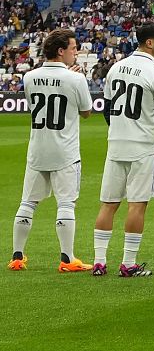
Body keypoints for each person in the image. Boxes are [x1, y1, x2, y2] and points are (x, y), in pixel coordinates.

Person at [11, 29, 95, 273]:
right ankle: (67, 259)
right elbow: (87, 112)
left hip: (38, 149)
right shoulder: (75, 78)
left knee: (27, 203)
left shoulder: (29, 76)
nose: (76, 52)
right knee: (66, 204)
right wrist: (76, 80)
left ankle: (17, 256)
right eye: (73, 48)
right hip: (65, 151)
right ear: (61, 51)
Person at [94, 22, 154, 278]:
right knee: (137, 205)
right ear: (150, 43)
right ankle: (128, 263)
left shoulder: (116, 68)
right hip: (142, 146)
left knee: (108, 204)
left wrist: (119, 128)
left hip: (116, 143)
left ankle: (99, 261)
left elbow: (107, 108)